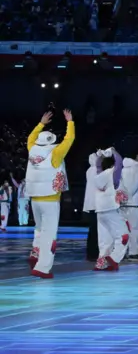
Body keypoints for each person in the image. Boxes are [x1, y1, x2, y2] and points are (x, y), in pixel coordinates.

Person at [26, 109, 75, 278]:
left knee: (39, 228)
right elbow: (70, 139)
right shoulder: (55, 152)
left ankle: (35, 252)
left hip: (34, 198)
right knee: (49, 232)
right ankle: (43, 267)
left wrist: (41, 123)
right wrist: (70, 122)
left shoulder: (32, 150)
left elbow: (30, 138)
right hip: (50, 198)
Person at [89, 147, 128, 270]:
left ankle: (101, 263)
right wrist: (114, 151)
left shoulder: (98, 175)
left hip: (100, 212)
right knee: (123, 236)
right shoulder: (112, 174)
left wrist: (100, 156)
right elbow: (119, 162)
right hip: (111, 209)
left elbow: (98, 165)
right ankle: (114, 258)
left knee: (105, 239)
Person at [118, 151, 138, 260]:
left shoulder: (123, 168)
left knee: (124, 229)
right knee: (135, 229)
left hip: (123, 203)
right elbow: (136, 185)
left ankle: (122, 253)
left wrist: (122, 198)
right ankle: (133, 252)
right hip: (135, 203)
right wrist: (128, 197)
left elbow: (120, 185)